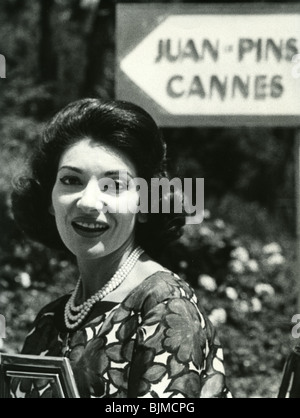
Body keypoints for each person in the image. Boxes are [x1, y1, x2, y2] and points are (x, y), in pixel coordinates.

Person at [11, 98, 231, 398]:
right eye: (71, 180)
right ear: (50, 199)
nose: (88, 202)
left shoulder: (165, 305)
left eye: (114, 185)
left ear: (144, 204)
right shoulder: (50, 320)